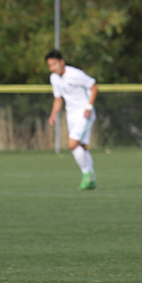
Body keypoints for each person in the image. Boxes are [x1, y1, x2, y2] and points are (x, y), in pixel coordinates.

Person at [46, 49, 98, 190]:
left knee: (72, 144)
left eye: (55, 64)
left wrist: (88, 107)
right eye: (50, 65)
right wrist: (53, 115)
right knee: (82, 147)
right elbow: (58, 98)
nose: (53, 68)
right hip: (71, 114)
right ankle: (91, 179)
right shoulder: (54, 78)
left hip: (84, 113)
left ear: (62, 62)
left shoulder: (75, 74)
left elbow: (93, 86)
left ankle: (87, 173)